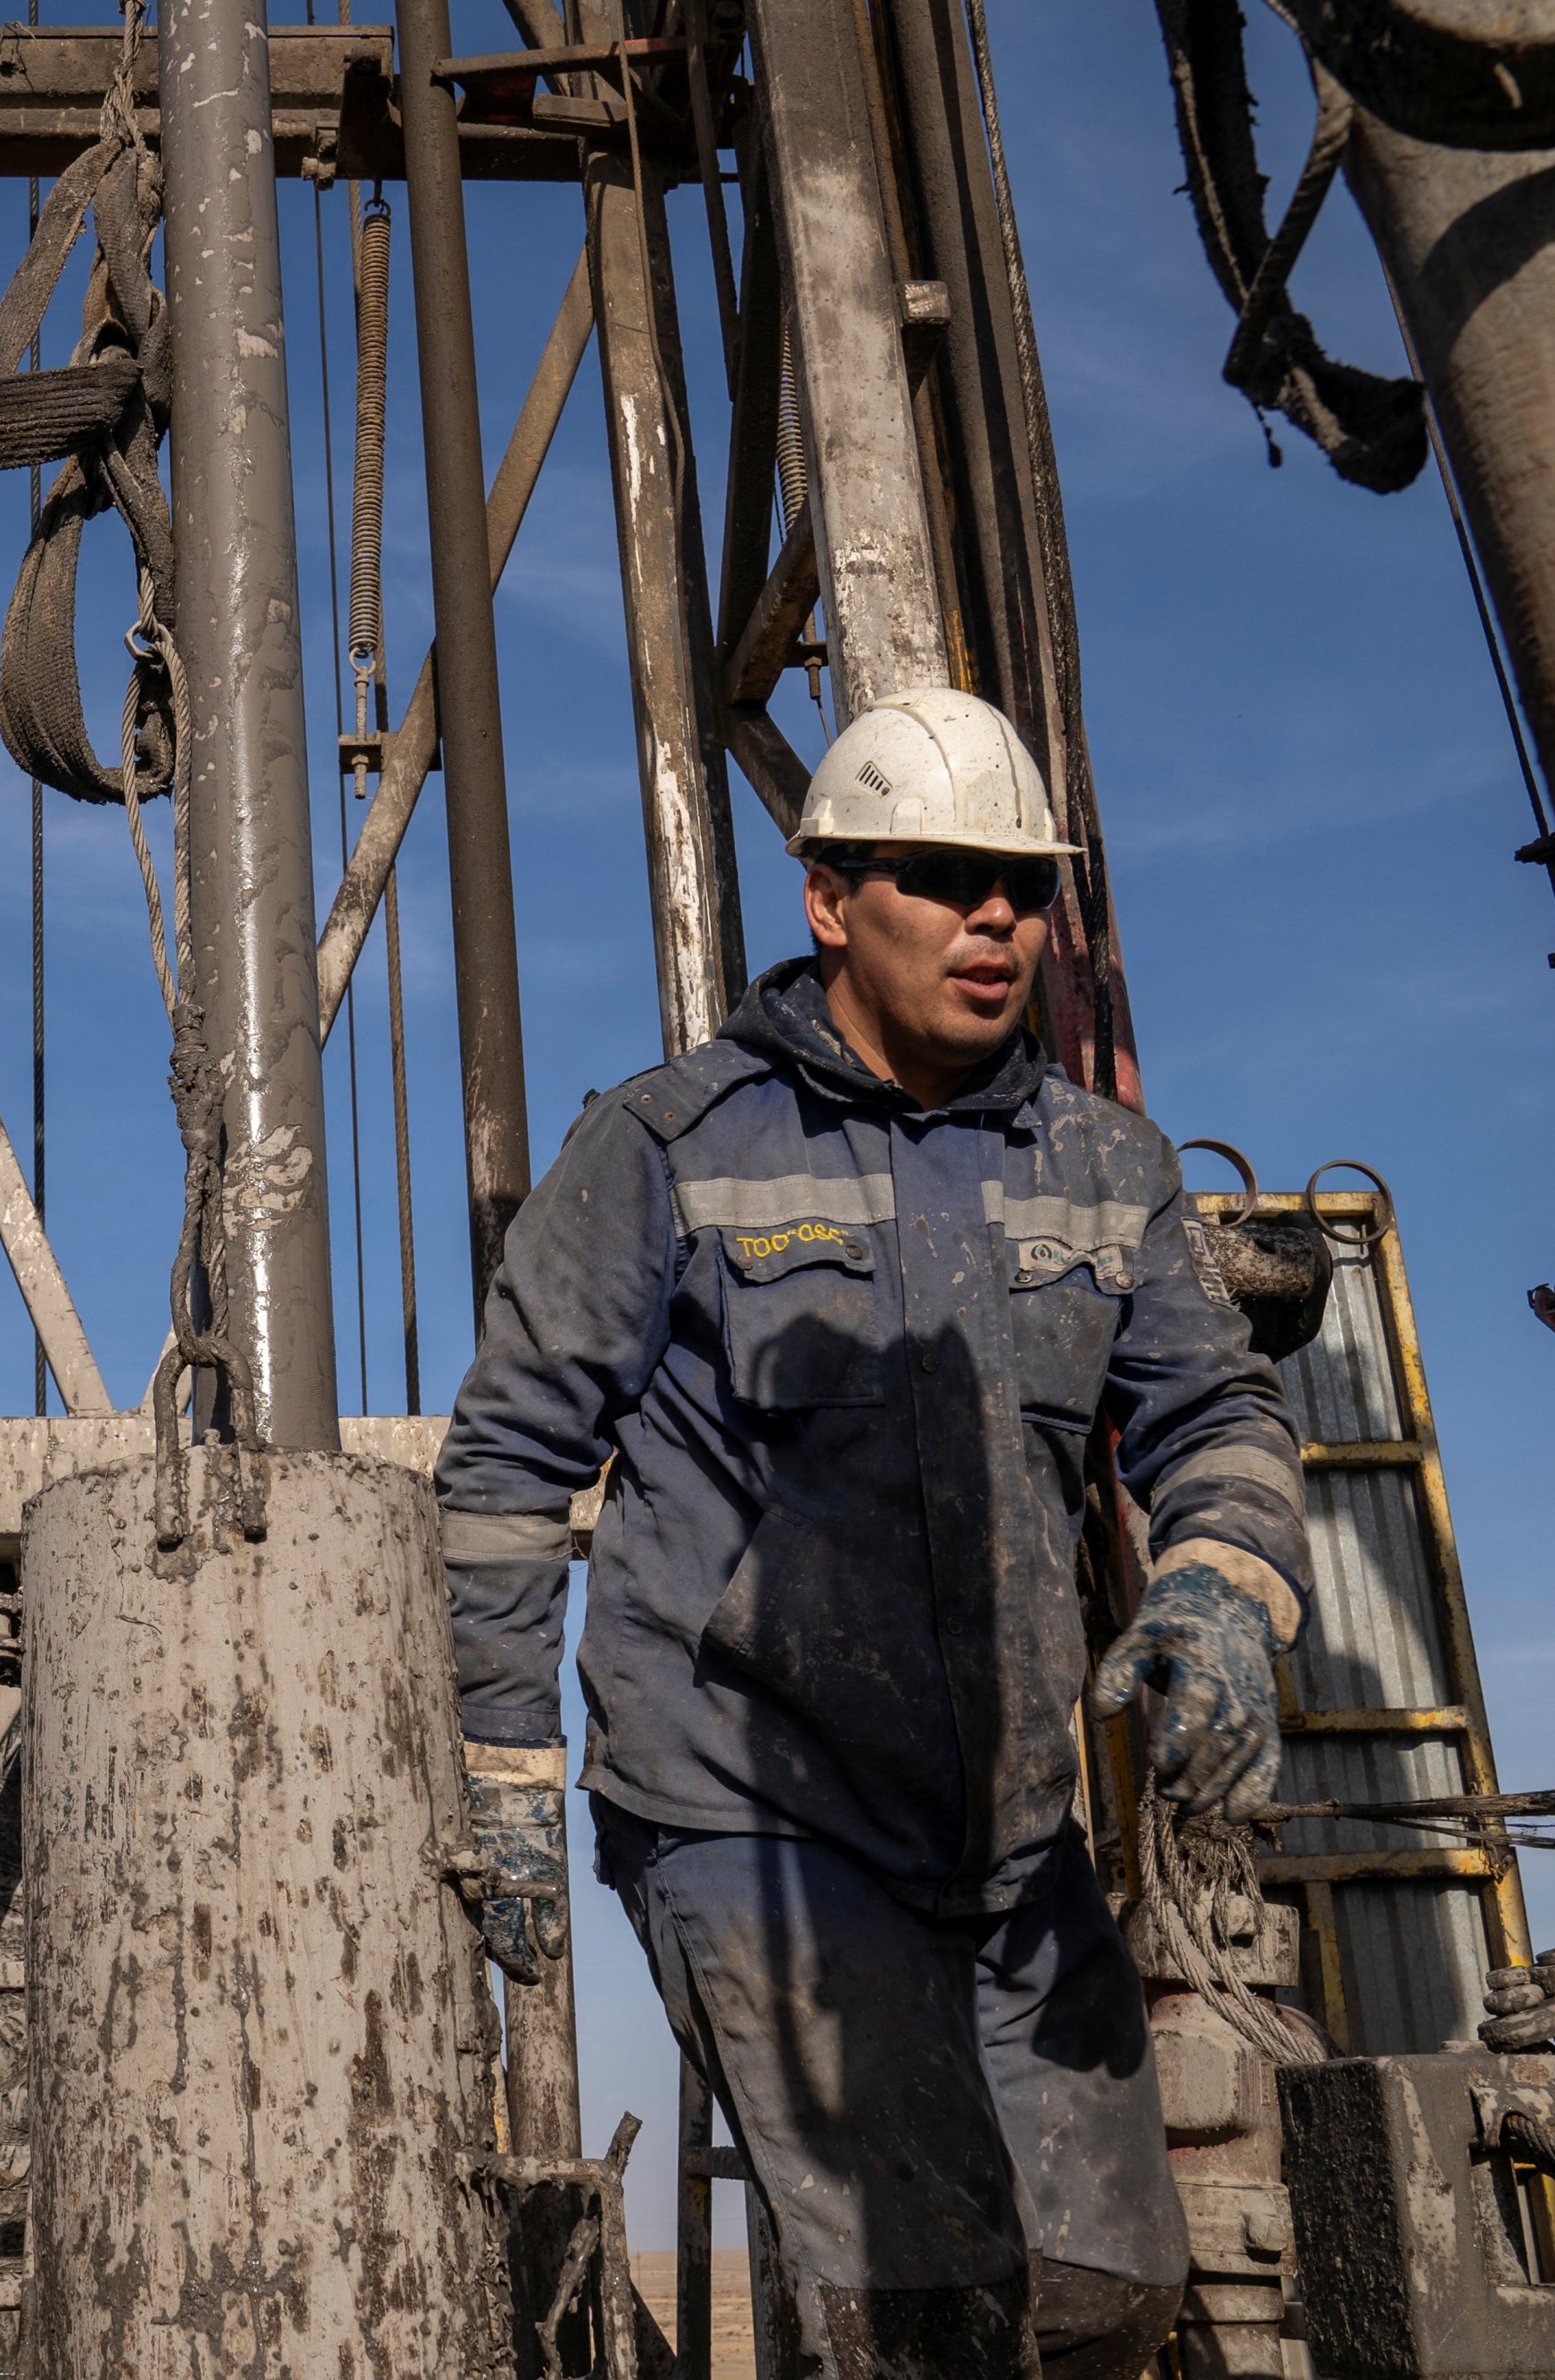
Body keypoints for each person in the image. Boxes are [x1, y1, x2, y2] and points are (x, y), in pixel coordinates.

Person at [433, 688, 1312, 2380]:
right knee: (919, 2317)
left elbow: (1219, 1413)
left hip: (1009, 1832)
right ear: (832, 897)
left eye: (1023, 890)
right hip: (753, 1820)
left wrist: (1217, 1581)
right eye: (940, 878)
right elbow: (509, 1456)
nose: (997, 922)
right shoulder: (671, 1144)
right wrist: (505, 1769)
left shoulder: (1105, 1164)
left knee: (1107, 2295)